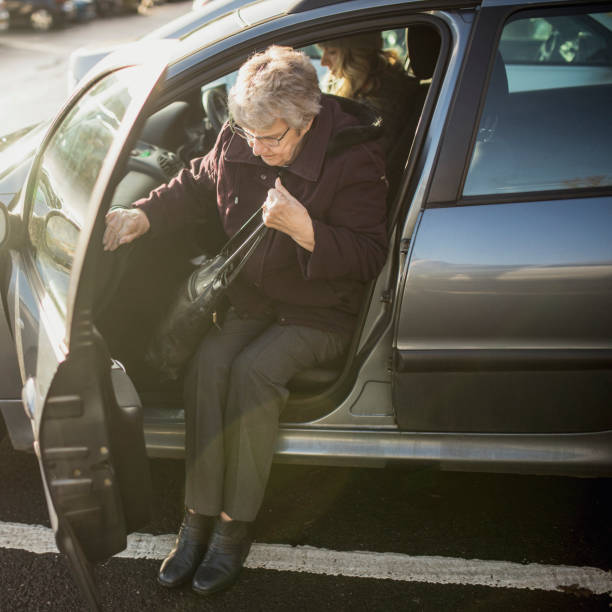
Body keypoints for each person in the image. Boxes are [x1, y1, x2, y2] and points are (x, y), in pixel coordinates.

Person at [102, 45, 388, 596]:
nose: (256, 147)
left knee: (254, 373)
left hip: (320, 310)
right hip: (255, 299)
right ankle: (197, 518)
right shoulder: (245, 133)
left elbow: (369, 255)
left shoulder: (354, 155)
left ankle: (235, 527)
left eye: (271, 137)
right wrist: (144, 215)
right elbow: (197, 179)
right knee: (207, 367)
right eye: (247, 133)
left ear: (306, 121)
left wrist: (306, 229)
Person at [318, 32, 418, 152]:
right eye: (323, 51)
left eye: (332, 52)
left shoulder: (380, 108)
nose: (323, 62)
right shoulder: (365, 89)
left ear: (357, 55)